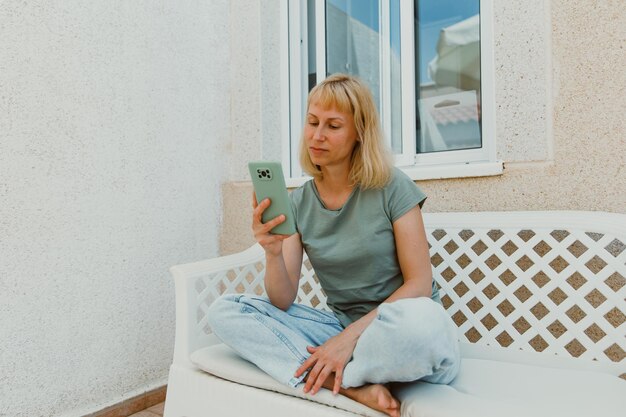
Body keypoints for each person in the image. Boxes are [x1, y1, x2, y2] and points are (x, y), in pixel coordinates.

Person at [208, 73, 460, 417]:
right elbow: (282, 299)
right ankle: (351, 385)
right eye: (312, 122)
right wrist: (271, 252)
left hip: (397, 328)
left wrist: (348, 340)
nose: (317, 135)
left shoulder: (392, 187)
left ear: (359, 133)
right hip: (340, 327)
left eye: (333, 126)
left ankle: (337, 372)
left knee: (422, 327)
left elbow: (419, 284)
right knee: (226, 310)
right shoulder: (300, 204)